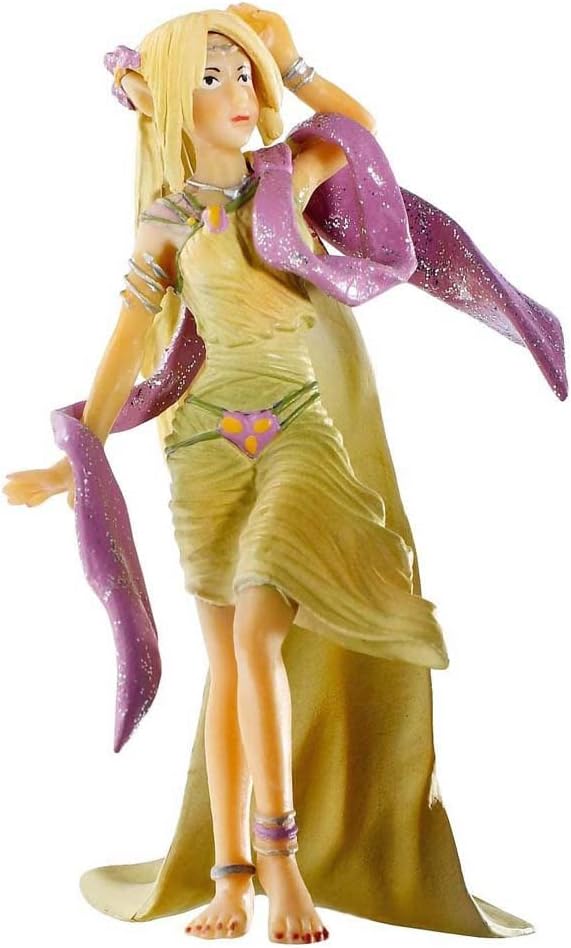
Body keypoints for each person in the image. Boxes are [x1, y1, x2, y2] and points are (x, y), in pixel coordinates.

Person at [3, 5, 567, 944]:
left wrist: (294, 61)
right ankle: (229, 880)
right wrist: (78, 460)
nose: (234, 92)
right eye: (209, 77)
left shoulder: (287, 174)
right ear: (170, 101)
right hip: (204, 451)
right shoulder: (166, 222)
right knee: (228, 663)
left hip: (298, 432)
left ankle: (283, 864)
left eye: (241, 73)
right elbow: (127, 346)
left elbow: (354, 131)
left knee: (260, 634)